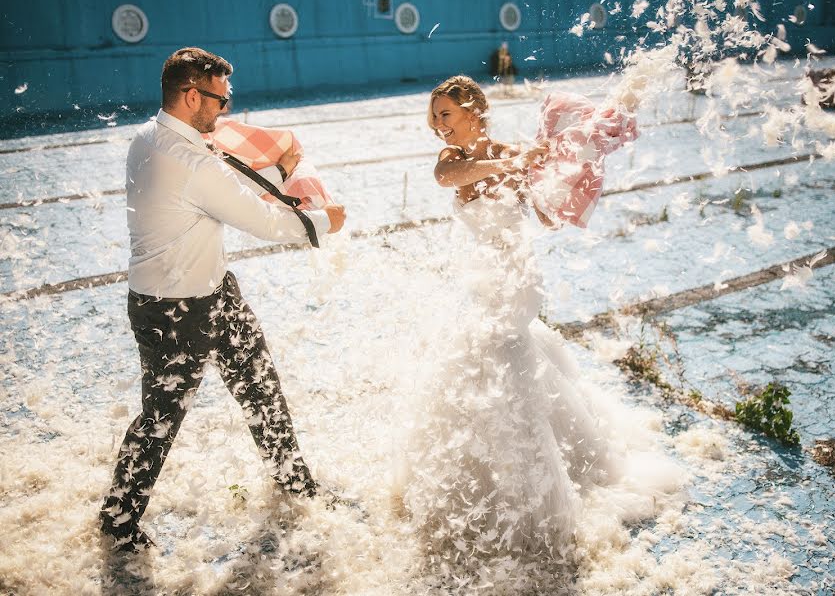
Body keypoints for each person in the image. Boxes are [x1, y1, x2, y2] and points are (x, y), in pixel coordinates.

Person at [396, 75, 678, 589]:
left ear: (474, 110)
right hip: (482, 280)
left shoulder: (513, 152)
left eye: (446, 115)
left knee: (508, 355)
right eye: (434, 116)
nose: (438, 125)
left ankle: (540, 500)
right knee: (494, 360)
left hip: (517, 276)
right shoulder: (453, 161)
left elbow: (546, 218)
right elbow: (453, 178)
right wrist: (517, 163)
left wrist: (562, 175)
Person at [98, 47, 346, 552]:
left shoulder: (147, 138)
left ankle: (296, 485)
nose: (226, 110)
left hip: (199, 294)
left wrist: (279, 176)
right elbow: (267, 223)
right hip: (178, 311)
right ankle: (117, 521)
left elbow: (223, 191)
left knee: (261, 390)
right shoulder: (191, 160)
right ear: (192, 96)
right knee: (162, 419)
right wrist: (326, 221)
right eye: (220, 100)